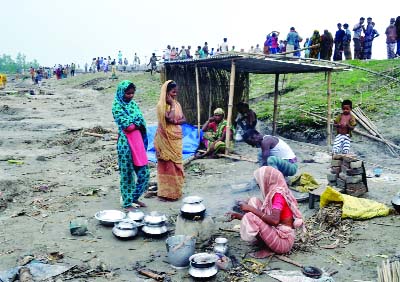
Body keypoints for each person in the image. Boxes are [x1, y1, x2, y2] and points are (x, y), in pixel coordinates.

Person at [226, 166, 304, 259]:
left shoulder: (278, 195)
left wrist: (250, 209)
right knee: (254, 201)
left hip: (284, 242)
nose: (259, 185)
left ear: (267, 180)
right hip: (278, 232)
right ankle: (265, 242)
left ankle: (268, 248)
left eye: (259, 181)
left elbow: (274, 221)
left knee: (251, 215)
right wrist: (238, 216)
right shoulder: (275, 192)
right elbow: (265, 219)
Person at [112, 80, 150, 210]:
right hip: (126, 145)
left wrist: (135, 123)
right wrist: (135, 123)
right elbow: (128, 126)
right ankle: (127, 203)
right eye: (128, 93)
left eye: (132, 93)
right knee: (127, 174)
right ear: (121, 92)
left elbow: (140, 122)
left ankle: (134, 197)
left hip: (138, 142)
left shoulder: (133, 105)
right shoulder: (116, 106)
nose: (130, 96)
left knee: (144, 173)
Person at [154, 80, 186, 201]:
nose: (175, 94)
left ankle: (176, 191)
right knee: (167, 165)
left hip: (176, 138)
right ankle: (165, 194)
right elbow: (170, 119)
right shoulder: (161, 106)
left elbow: (183, 119)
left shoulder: (177, 104)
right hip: (165, 139)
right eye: (173, 92)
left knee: (177, 165)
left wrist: (177, 121)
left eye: (176, 92)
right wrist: (171, 104)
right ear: (166, 93)